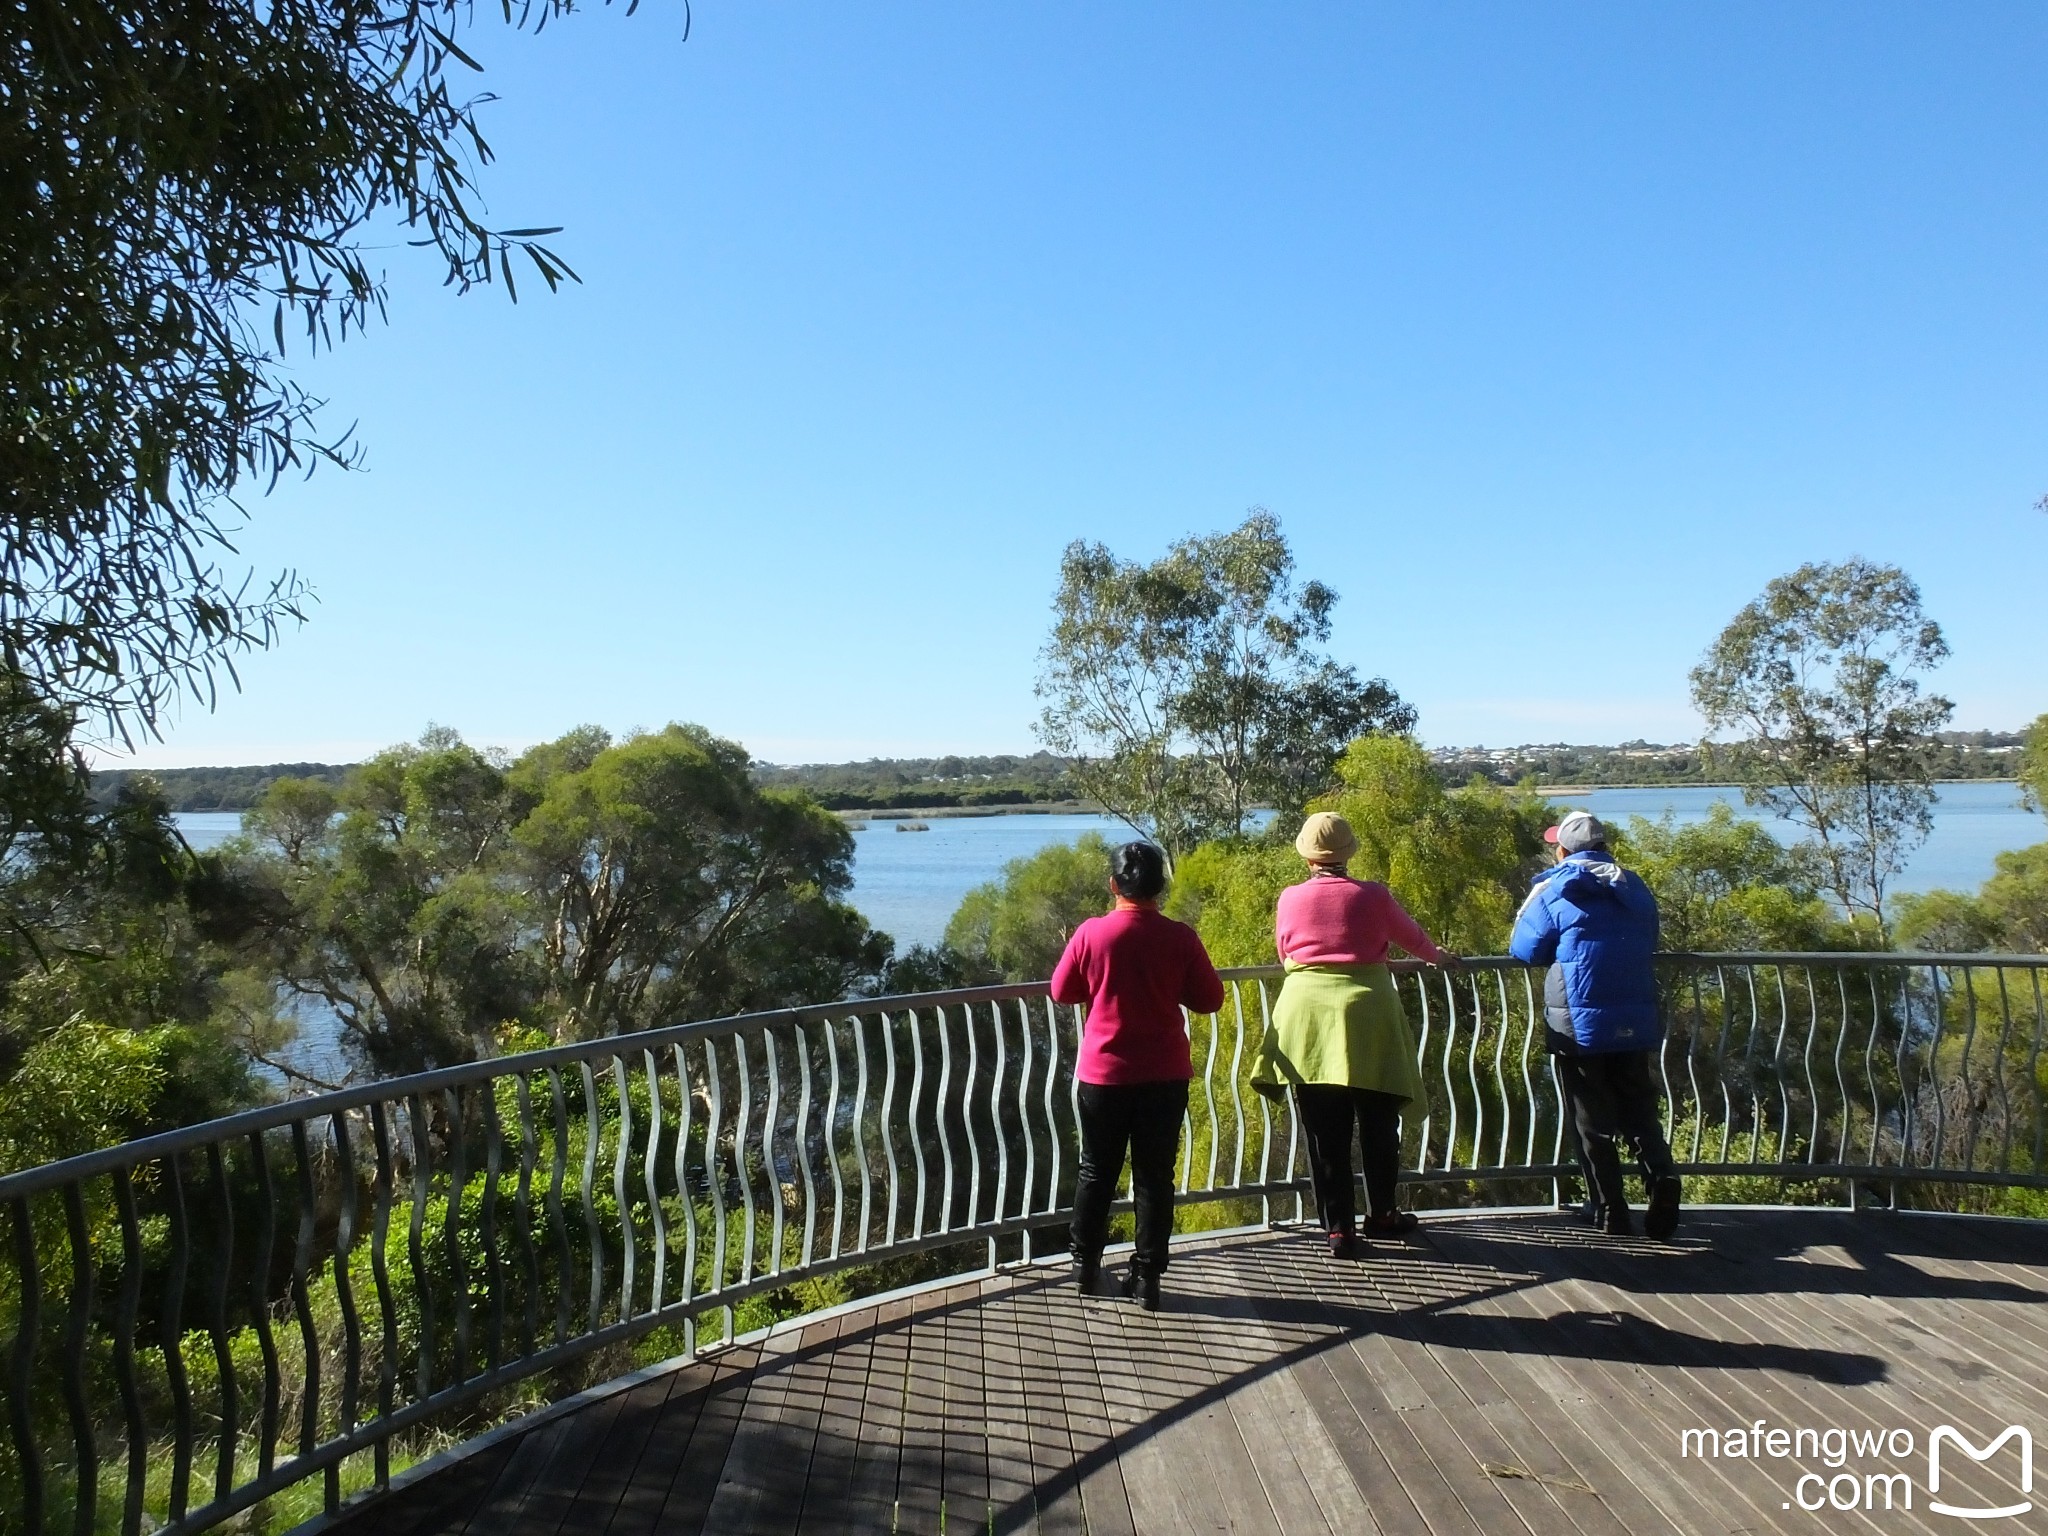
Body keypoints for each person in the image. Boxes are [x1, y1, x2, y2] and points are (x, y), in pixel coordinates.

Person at [1251, 811, 1459, 1260]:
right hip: (1370, 1015)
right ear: (1348, 853)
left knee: (1326, 1132)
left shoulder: (1290, 897)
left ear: (1307, 856)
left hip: (1307, 1019)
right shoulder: (1374, 896)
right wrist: (1437, 957)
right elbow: (1413, 939)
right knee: (1379, 1123)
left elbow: (1286, 952)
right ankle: (1383, 1214)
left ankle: (1339, 1229)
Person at [1050, 840, 1226, 1311]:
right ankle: (1147, 1277)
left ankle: (1084, 1266)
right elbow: (1210, 999)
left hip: (1104, 1075)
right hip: (1165, 1075)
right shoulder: (1180, 937)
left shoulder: (1091, 934)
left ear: (1113, 884)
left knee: (1096, 1169)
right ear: (1161, 888)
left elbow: (1061, 991)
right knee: (1154, 1178)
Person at [1508, 809, 1683, 1241]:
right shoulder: (1635, 887)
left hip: (1578, 1023)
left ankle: (1610, 1211)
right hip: (1634, 1015)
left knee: (1591, 1119)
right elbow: (1650, 938)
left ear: (1563, 849)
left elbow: (1525, 949)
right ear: (1604, 846)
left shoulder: (1554, 888)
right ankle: (1662, 1176)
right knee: (1640, 1110)